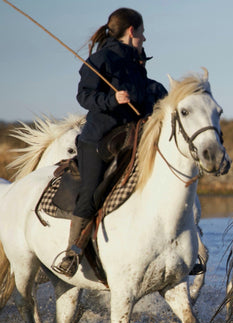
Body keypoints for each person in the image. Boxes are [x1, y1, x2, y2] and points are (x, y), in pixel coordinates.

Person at [53, 8, 166, 277]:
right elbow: (84, 96)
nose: (144, 39)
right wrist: (111, 100)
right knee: (91, 194)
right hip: (98, 140)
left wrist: (157, 93)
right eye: (142, 33)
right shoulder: (100, 60)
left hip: (131, 138)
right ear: (131, 31)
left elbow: (143, 92)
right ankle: (72, 253)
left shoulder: (137, 61)